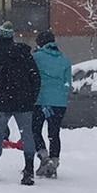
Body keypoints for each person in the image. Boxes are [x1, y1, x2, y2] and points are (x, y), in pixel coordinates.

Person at [0, 22, 40, 185]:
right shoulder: (25, 54)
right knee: (27, 134)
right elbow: (35, 77)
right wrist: (32, 97)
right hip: (24, 102)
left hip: (2, 102)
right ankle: (29, 170)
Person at [32, 30, 72, 178]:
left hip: (40, 100)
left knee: (35, 130)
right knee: (54, 133)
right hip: (59, 102)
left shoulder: (36, 58)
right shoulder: (65, 60)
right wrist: (62, 96)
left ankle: (43, 156)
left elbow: (33, 78)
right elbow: (68, 83)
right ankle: (54, 161)